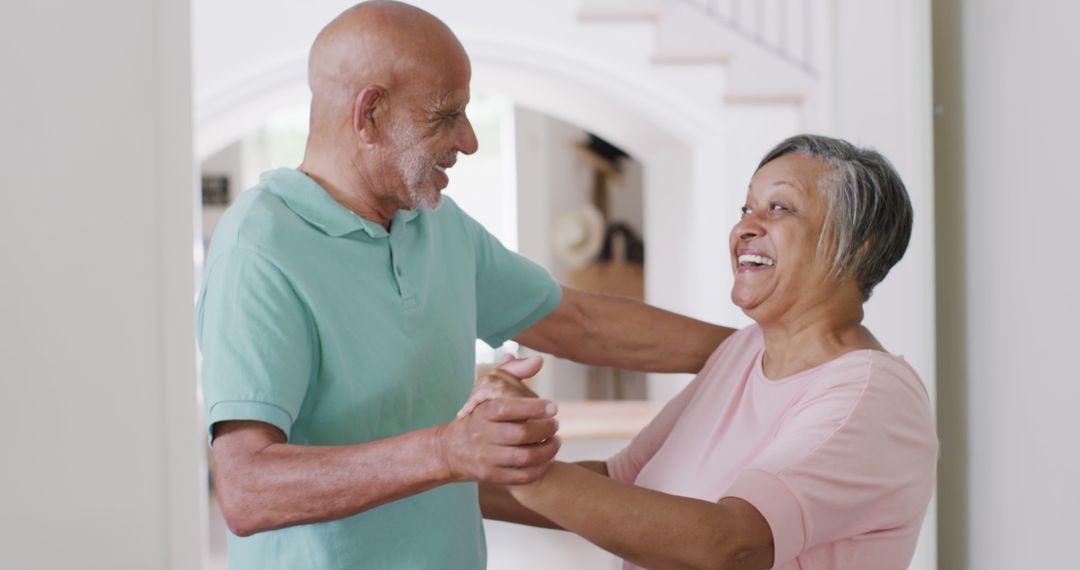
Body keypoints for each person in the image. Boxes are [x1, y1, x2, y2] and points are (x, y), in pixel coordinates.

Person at [195, 2, 732, 569]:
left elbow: (579, 323)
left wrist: (772, 352)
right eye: (445, 115)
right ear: (369, 114)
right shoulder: (259, 247)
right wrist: (447, 450)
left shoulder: (437, 224)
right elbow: (246, 487)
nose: (470, 140)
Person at [474, 134, 939, 570]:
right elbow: (622, 482)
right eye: (747, 206)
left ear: (858, 246)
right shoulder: (743, 351)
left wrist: (533, 478)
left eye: (779, 208)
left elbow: (733, 545)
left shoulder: (873, 398)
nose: (745, 227)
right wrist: (457, 467)